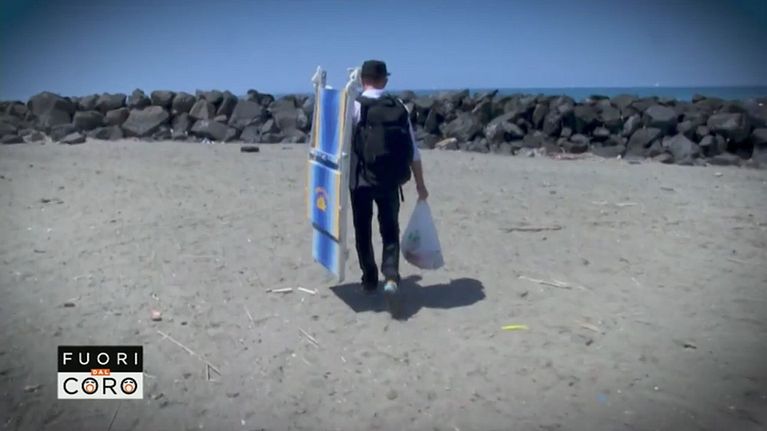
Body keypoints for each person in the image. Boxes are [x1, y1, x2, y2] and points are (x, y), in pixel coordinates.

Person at [350, 59, 429, 316]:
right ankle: (392, 276)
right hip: (390, 180)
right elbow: (413, 151)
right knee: (390, 229)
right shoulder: (399, 107)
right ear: (384, 80)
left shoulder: (354, 107)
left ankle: (369, 279)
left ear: (362, 79)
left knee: (363, 230)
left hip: (361, 181)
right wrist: (420, 184)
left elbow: (340, 148)